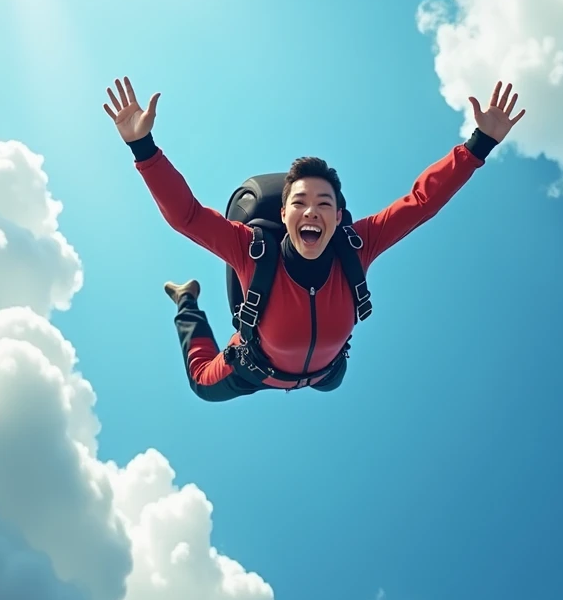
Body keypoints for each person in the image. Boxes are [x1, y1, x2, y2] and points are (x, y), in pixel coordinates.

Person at [104, 77, 525, 401]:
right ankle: (185, 300)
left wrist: (479, 145)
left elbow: (420, 202)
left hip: (327, 374)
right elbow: (188, 216)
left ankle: (315, 373)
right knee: (200, 382)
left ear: (339, 217)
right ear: (284, 214)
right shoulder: (252, 250)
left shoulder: (357, 244)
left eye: (324, 204)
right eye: (300, 203)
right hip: (253, 368)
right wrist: (143, 147)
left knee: (330, 383)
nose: (312, 212)